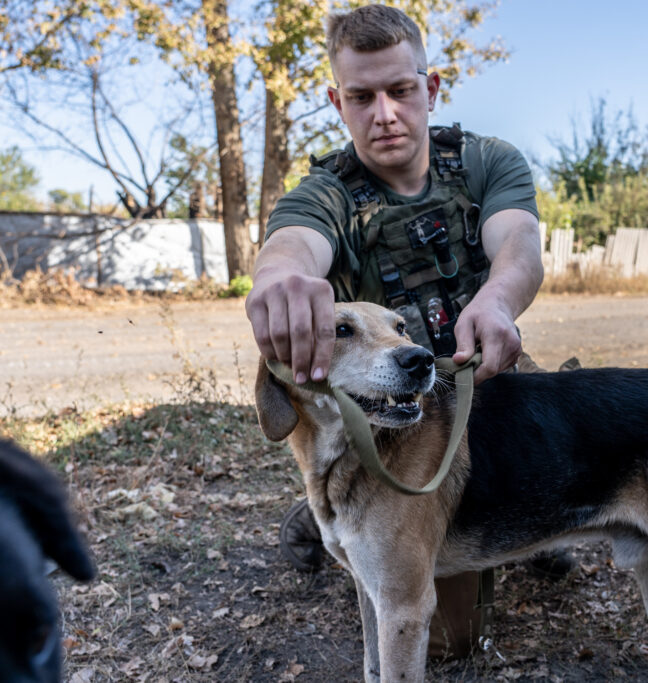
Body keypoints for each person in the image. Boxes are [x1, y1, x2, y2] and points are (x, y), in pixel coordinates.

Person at [245, 3, 573, 656]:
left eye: (401, 90)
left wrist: (499, 299)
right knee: (446, 637)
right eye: (362, 97)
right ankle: (334, 501)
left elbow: (520, 245)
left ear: (431, 88)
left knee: (540, 485)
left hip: (479, 388)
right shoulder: (328, 192)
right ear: (338, 102)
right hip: (384, 417)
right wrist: (279, 278)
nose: (385, 113)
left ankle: (546, 505)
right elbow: (292, 244)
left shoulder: (486, 161)